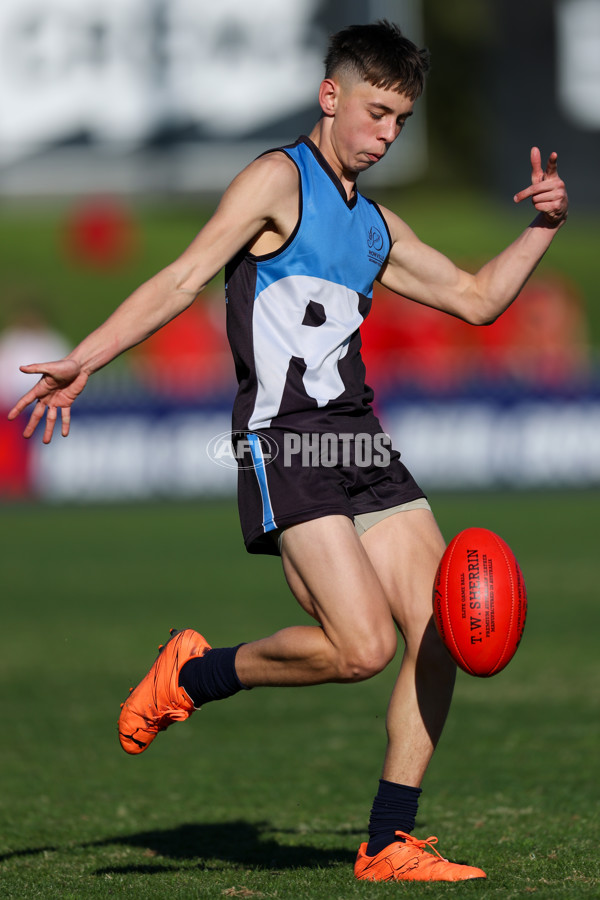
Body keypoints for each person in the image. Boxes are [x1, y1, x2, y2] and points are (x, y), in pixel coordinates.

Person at [8, 21, 568, 883]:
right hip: (287, 441)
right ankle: (199, 672)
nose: (386, 135)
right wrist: (87, 356)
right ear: (330, 95)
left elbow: (476, 298)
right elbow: (185, 277)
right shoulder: (278, 181)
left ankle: (388, 842)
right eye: (377, 113)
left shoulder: (375, 226)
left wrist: (542, 229)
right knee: (360, 651)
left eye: (402, 122)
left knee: (439, 630)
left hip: (360, 439)